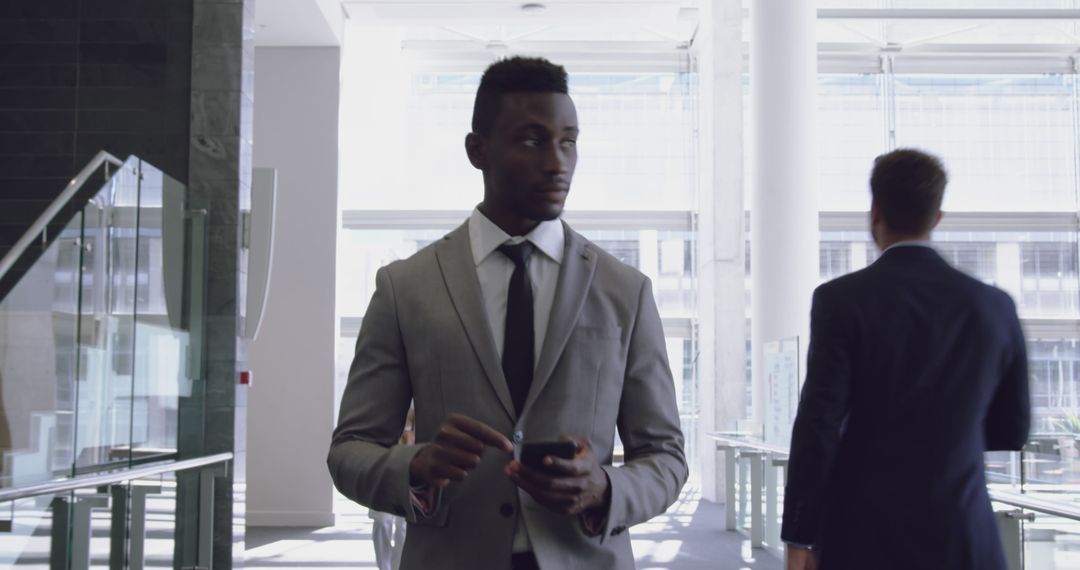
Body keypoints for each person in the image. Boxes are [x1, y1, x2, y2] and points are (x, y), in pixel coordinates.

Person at [328, 56, 687, 570]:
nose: (557, 162)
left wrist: (606, 486)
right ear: (478, 150)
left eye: (569, 141)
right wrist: (418, 466)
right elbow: (350, 451)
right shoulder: (405, 287)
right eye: (533, 140)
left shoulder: (624, 290)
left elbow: (667, 458)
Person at [781, 148, 1031, 570]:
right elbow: (1012, 428)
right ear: (936, 218)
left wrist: (800, 534)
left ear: (874, 210)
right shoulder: (993, 306)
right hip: (964, 534)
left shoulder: (841, 301)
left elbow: (818, 425)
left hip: (864, 537)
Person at [369, 407, 414, 570]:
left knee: (403, 526)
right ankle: (384, 567)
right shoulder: (378, 402)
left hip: (410, 469)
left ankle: (397, 567)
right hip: (382, 467)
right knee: (381, 522)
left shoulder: (419, 399)